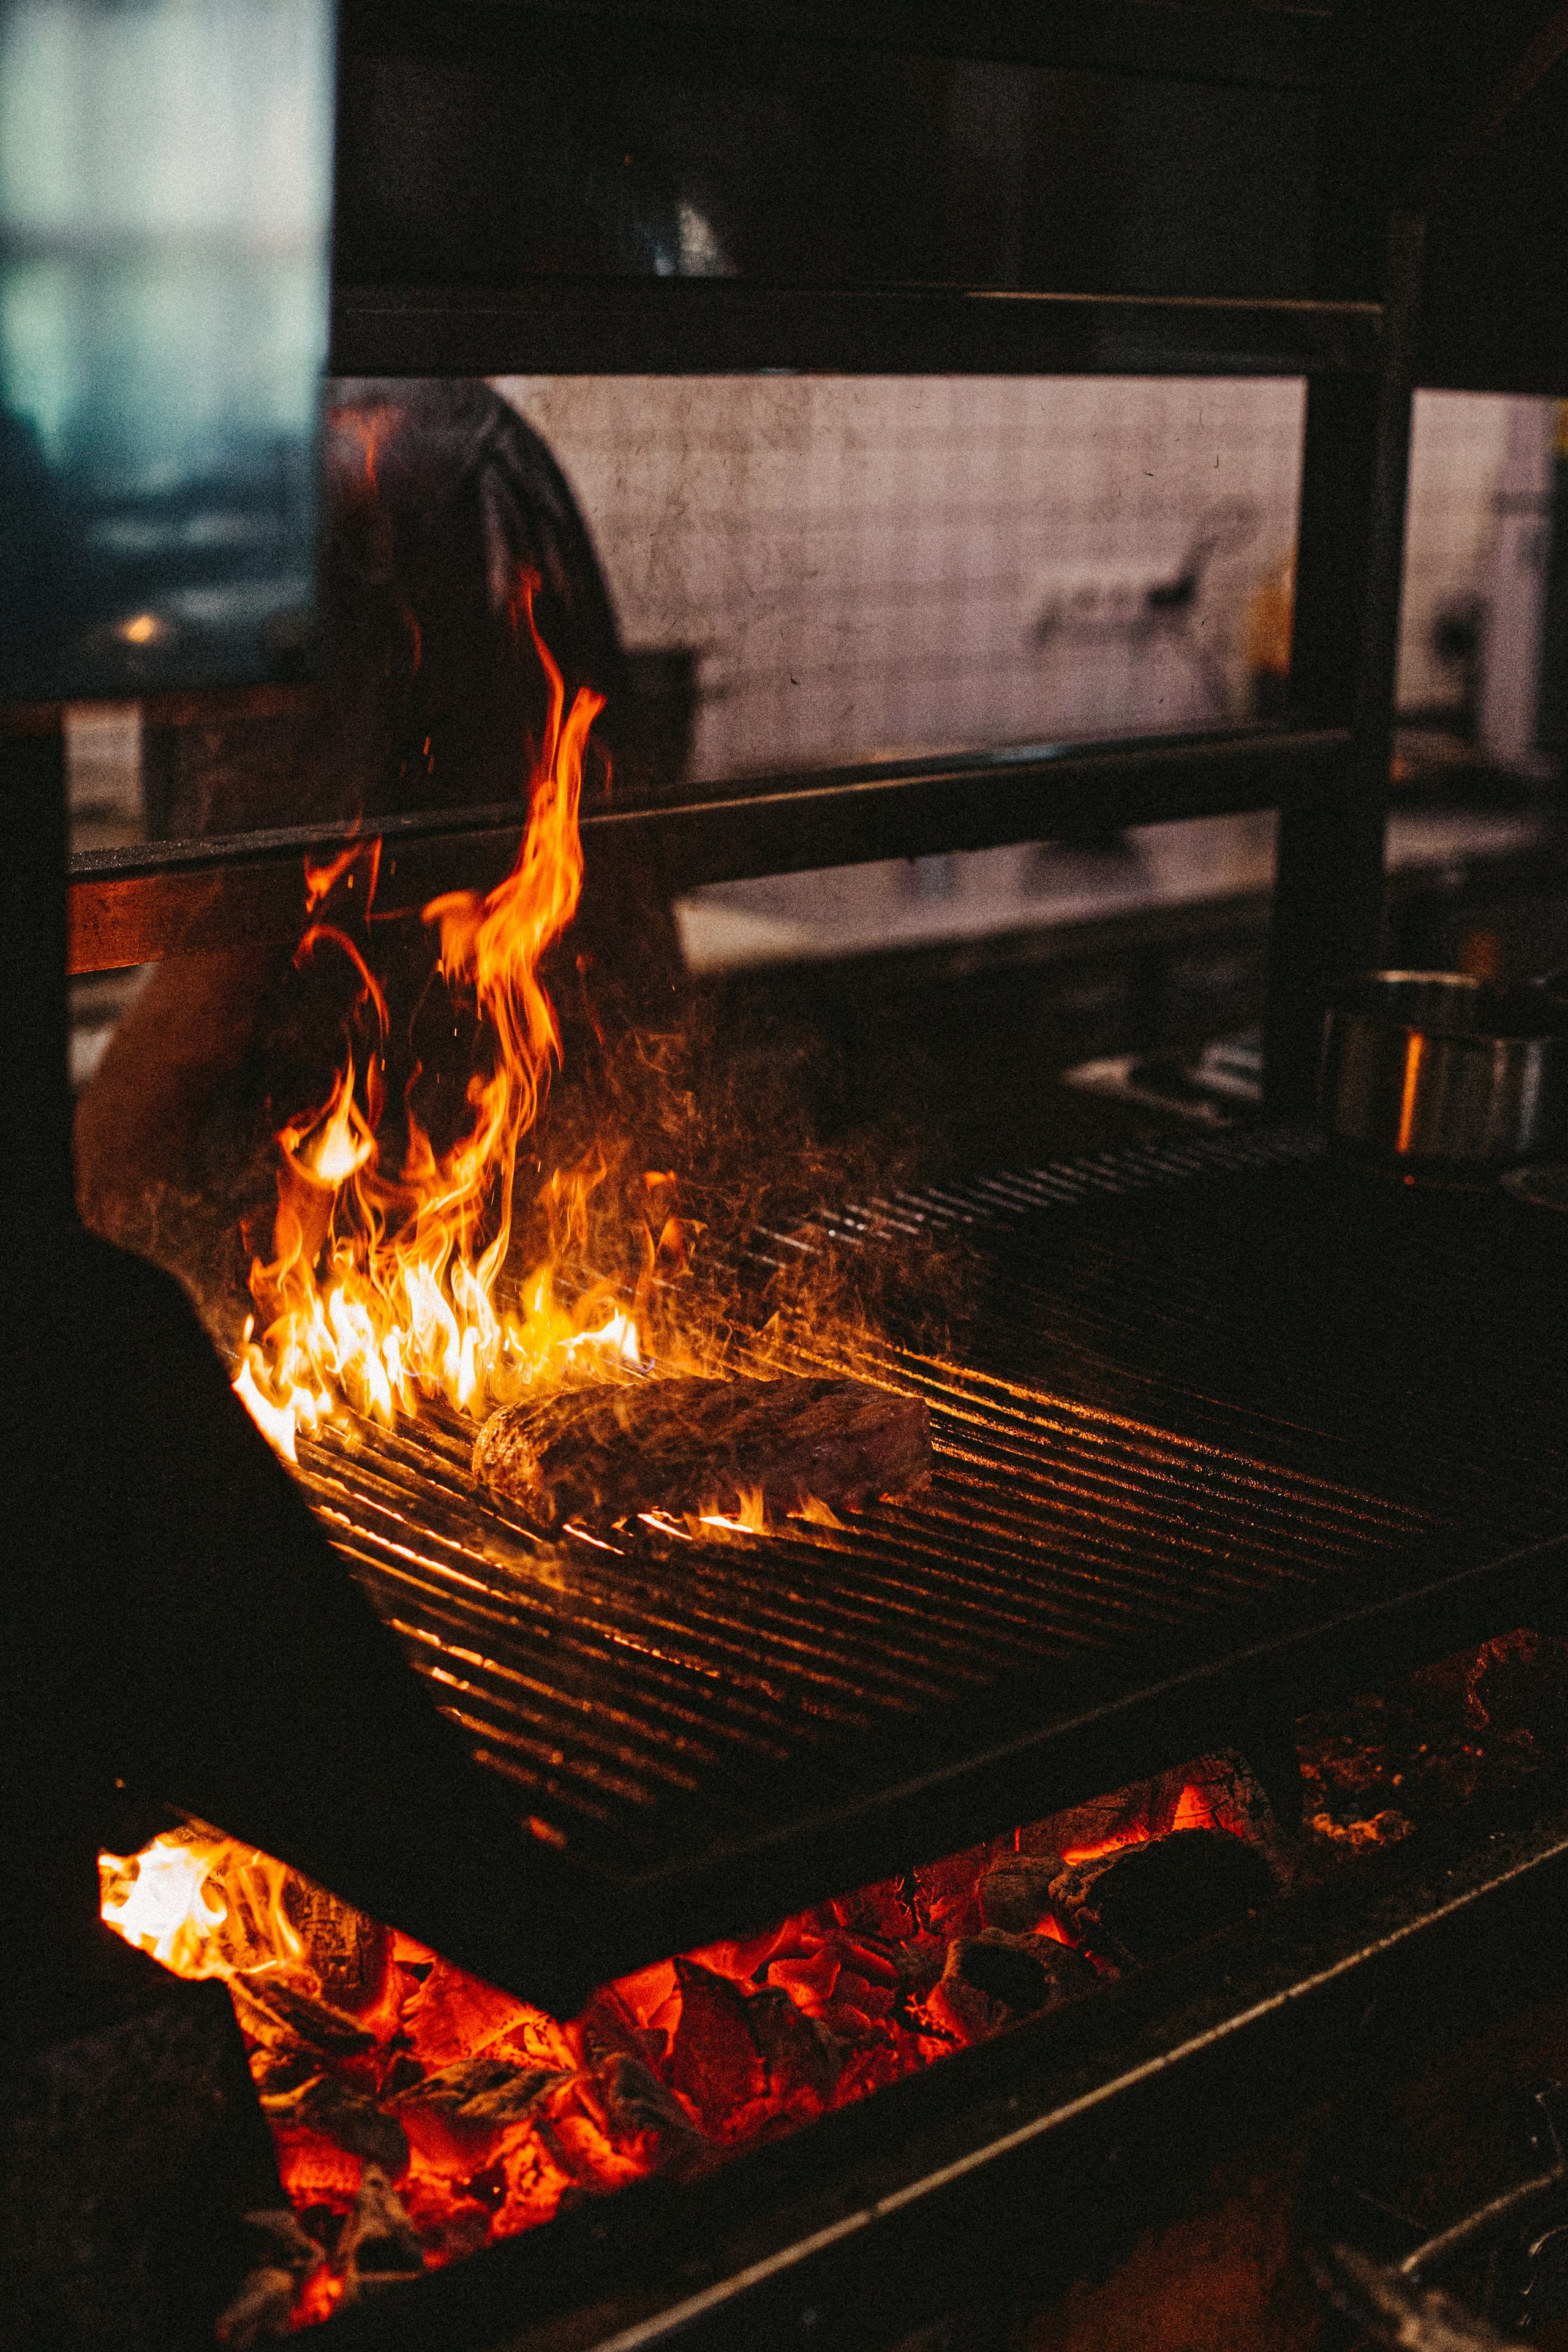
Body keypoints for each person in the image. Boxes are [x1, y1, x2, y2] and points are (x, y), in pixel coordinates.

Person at [75, 379, 681, 1261]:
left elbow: (211, 992)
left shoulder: (322, 488)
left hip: (417, 1202)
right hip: (538, 1170)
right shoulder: (452, 428)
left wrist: (52, 1250)